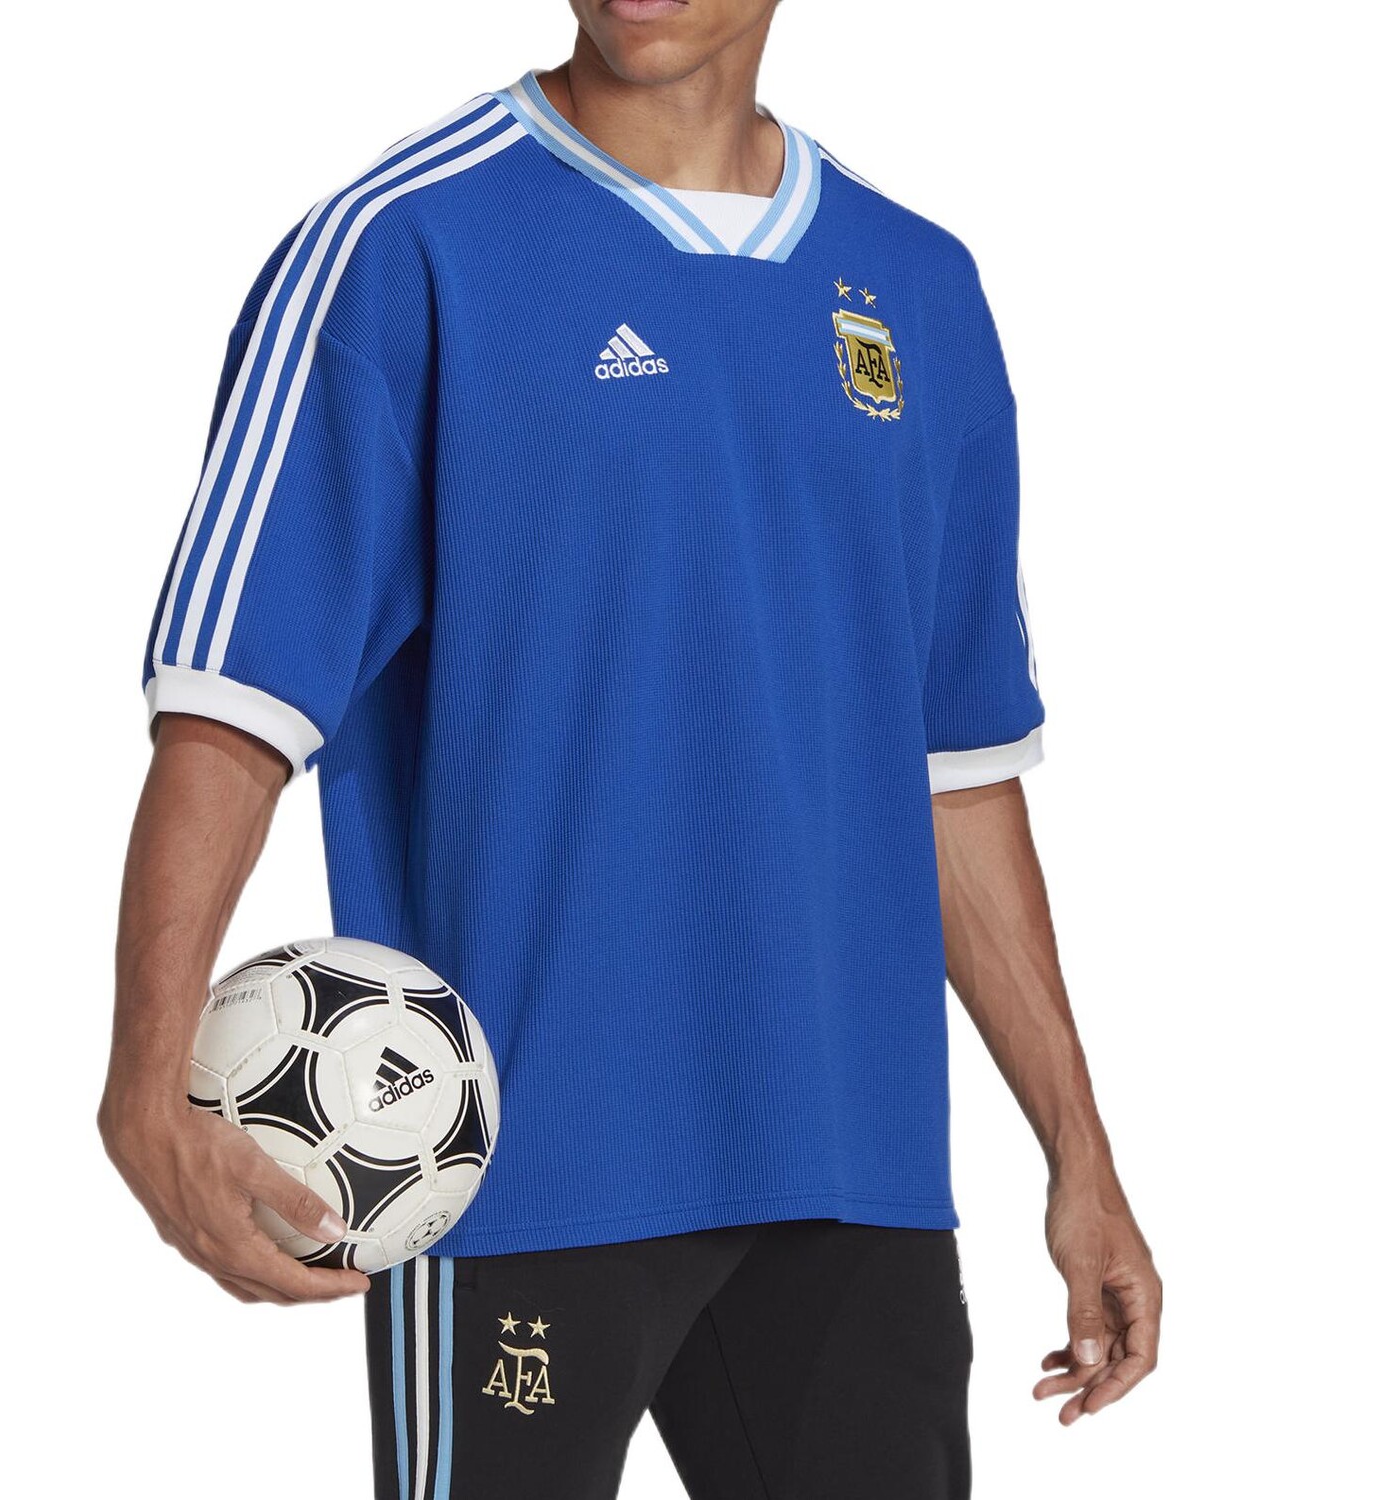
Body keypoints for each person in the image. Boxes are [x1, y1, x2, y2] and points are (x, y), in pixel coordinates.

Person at [100, 1, 1162, 1495]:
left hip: (851, 1166)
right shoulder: (405, 247)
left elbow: (953, 771)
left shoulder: (919, 286)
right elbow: (234, 701)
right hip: (512, 1162)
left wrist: (1078, 1150)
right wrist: (145, 1084)